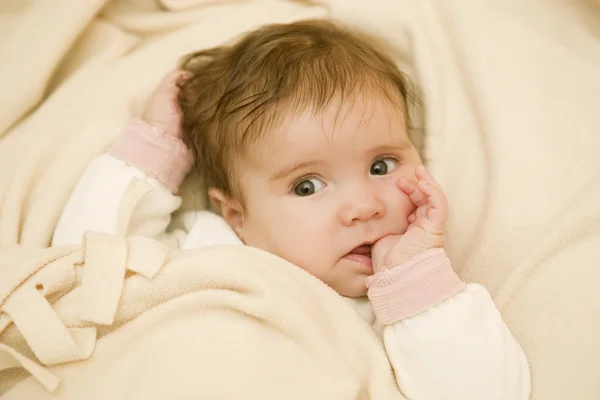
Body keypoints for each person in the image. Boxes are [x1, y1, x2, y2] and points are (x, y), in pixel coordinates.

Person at [53, 19, 531, 399]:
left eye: (383, 165)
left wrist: (416, 281)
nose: (364, 206)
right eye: (307, 186)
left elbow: (487, 393)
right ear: (237, 215)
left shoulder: (407, 308)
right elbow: (82, 269)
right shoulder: (205, 249)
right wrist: (151, 151)